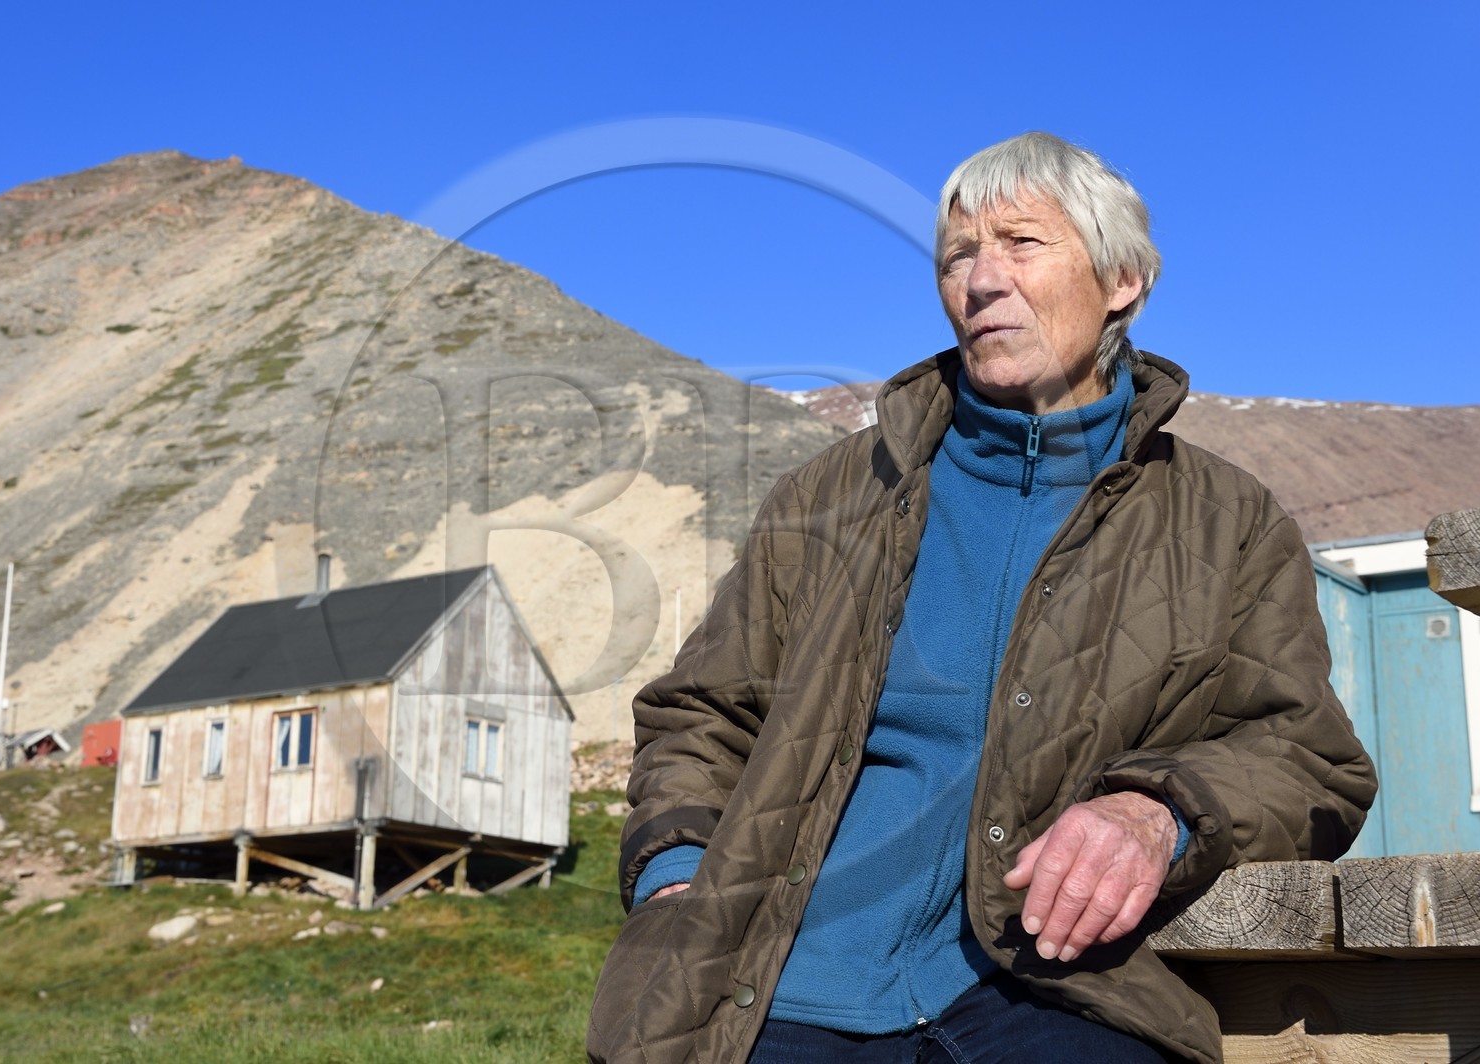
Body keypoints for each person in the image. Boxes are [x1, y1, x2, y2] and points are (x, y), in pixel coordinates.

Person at [586, 132, 1375, 1064]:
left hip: (1065, 987)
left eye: (1021, 244)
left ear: (1122, 279)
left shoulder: (1225, 520)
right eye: (959, 254)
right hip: (792, 982)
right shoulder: (830, 498)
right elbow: (700, 714)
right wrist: (678, 881)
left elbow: (1306, 754)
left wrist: (1157, 813)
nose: (980, 279)